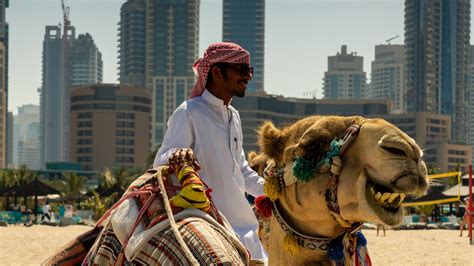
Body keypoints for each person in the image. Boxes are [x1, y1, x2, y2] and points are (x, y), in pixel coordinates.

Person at [154, 42, 267, 262]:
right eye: (241, 70)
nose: (248, 77)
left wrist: (273, 190)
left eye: (249, 71)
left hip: (245, 229)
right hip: (207, 225)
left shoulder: (234, 116)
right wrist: (178, 155)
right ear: (216, 72)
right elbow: (161, 160)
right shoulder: (189, 112)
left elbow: (240, 170)